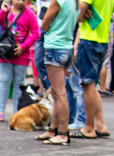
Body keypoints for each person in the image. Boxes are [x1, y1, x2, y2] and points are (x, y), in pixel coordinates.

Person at [0, 0, 40, 122]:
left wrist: (23, 46)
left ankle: (17, 111)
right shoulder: (6, 11)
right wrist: (2, 11)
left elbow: (36, 33)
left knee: (19, 82)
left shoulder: (29, 13)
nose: (20, 2)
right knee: (5, 80)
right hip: (6, 52)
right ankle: (0, 111)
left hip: (22, 53)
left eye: (23, 0)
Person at [35, 0, 78, 146]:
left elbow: (45, 24)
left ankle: (63, 133)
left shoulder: (58, 1)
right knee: (56, 91)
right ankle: (53, 129)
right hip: (67, 45)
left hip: (55, 45)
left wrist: (49, 25)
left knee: (59, 92)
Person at [70, 0, 113, 138]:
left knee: (87, 85)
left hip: (89, 39)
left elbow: (77, 14)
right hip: (102, 39)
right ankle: (100, 124)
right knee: (92, 85)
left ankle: (89, 127)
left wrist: (79, 14)